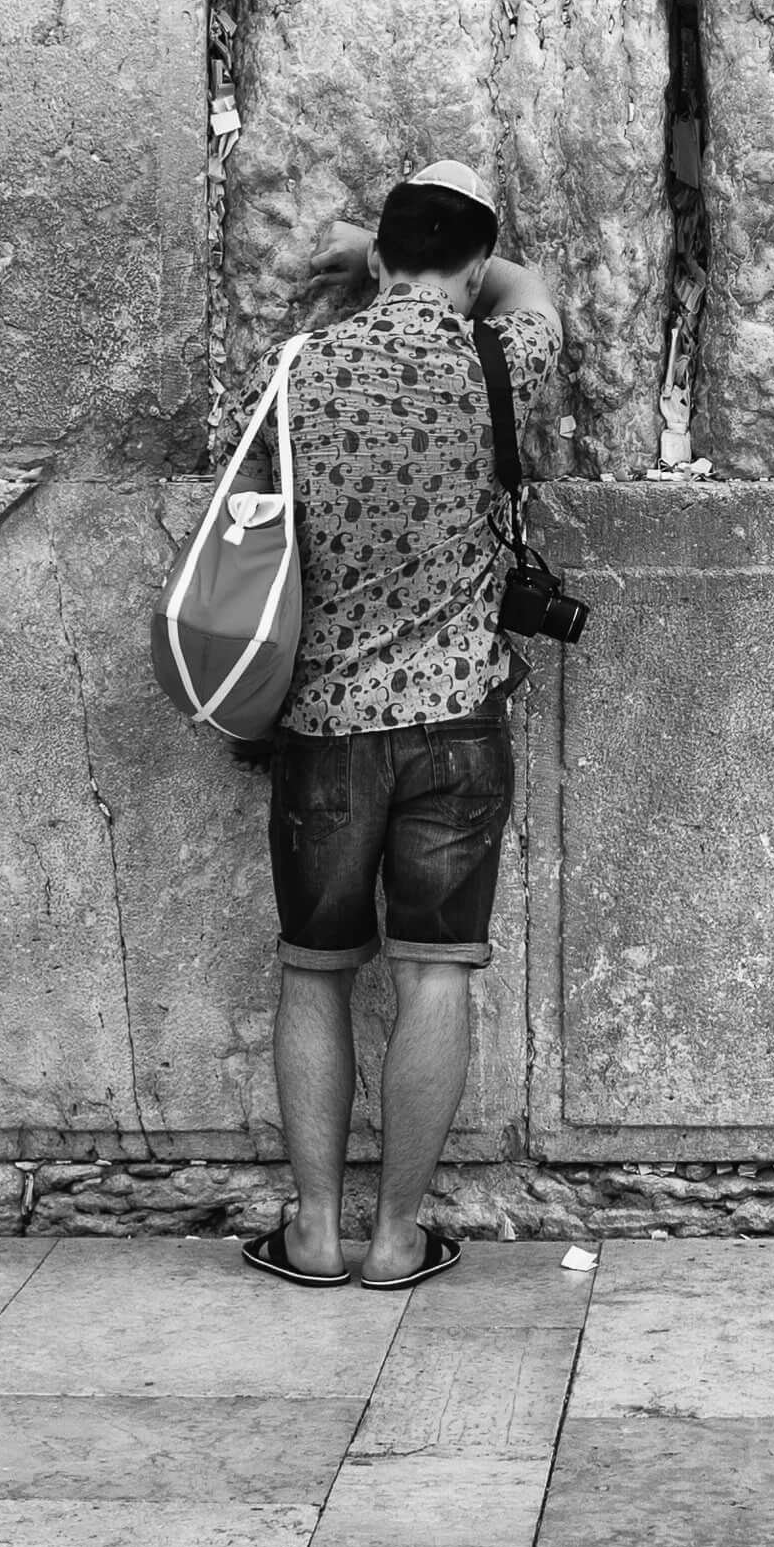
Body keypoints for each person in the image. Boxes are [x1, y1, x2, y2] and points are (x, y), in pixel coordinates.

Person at [241, 159, 561, 1294]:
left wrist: (359, 256)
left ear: (378, 259)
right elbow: (534, 296)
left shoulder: (298, 369)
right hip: (455, 724)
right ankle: (396, 1238)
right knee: (436, 976)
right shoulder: (498, 356)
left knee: (315, 974)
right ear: (471, 268)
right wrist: (453, 264)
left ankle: (316, 1230)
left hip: (323, 721)